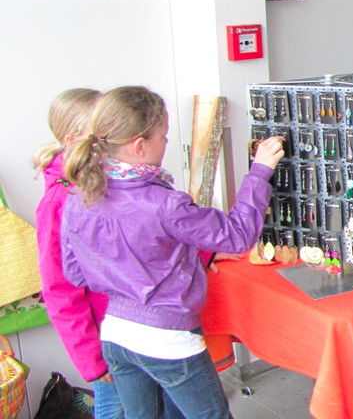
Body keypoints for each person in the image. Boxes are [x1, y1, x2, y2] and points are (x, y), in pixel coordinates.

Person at [60, 86, 284, 419]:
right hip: (168, 340)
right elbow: (238, 235)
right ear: (139, 146)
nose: (167, 143)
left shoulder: (79, 196)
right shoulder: (164, 203)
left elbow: (75, 272)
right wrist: (260, 170)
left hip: (116, 336)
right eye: (163, 136)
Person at [32, 88, 133, 418]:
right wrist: (92, 360)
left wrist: (209, 253)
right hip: (108, 345)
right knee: (116, 409)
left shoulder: (113, 178)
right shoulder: (57, 204)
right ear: (72, 138)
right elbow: (60, 291)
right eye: (103, 130)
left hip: (138, 328)